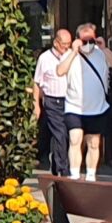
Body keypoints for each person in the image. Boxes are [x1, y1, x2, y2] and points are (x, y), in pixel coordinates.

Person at [69, 22, 112, 182]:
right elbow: (60, 70)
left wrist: (104, 48)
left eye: (91, 41)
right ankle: (74, 174)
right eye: (84, 40)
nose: (87, 45)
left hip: (97, 108)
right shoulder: (71, 54)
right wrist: (73, 51)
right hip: (74, 106)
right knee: (75, 139)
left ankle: (90, 174)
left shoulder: (100, 54)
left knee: (93, 143)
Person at [32, 26, 78, 177]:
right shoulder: (44, 58)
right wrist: (36, 105)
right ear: (56, 42)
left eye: (69, 43)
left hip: (70, 100)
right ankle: (63, 169)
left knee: (69, 135)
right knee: (60, 134)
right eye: (64, 44)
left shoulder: (71, 56)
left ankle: (56, 161)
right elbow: (37, 82)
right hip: (52, 101)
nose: (67, 47)